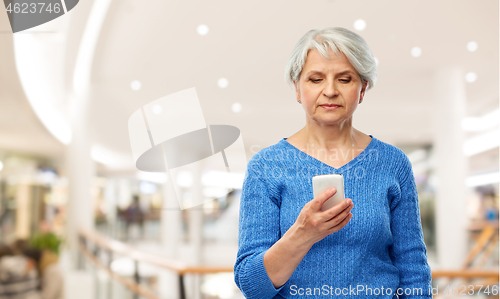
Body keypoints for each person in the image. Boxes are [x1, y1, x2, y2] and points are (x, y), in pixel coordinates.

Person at [233, 27, 432, 298]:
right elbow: (252, 286)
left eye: (345, 79)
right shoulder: (266, 167)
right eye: (315, 79)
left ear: (362, 89)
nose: (329, 91)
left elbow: (414, 271)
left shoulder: (392, 163)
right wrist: (302, 234)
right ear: (297, 89)